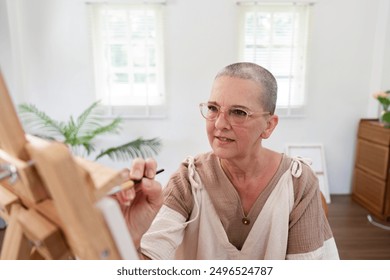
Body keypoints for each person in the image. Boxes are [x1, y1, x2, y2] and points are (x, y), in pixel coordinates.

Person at [116, 62, 340, 260]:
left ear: (269, 125)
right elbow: (147, 262)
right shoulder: (188, 179)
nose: (219, 124)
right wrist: (133, 238)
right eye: (213, 108)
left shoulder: (298, 182)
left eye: (239, 112)